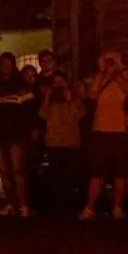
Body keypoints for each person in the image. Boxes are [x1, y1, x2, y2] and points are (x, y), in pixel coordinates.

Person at [80, 50, 128, 220]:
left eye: (113, 59)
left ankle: (117, 208)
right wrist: (104, 71)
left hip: (120, 132)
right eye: (107, 59)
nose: (110, 62)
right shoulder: (97, 77)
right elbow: (92, 93)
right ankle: (90, 208)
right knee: (97, 173)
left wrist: (118, 70)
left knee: (120, 173)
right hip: (100, 131)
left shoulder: (127, 76)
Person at [0, 52, 36, 216]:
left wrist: (30, 132)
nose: (5, 67)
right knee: (4, 172)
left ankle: (23, 204)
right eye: (3, 64)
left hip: (17, 136)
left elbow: (29, 113)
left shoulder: (22, 87)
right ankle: (11, 202)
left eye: (8, 64)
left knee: (18, 171)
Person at [39, 71, 85, 214]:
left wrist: (70, 99)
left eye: (61, 82)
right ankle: (57, 206)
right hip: (54, 142)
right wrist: (47, 97)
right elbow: (43, 115)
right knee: (56, 176)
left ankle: (68, 205)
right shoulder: (50, 100)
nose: (58, 85)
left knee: (69, 176)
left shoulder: (74, 98)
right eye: (55, 83)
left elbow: (80, 114)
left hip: (70, 142)